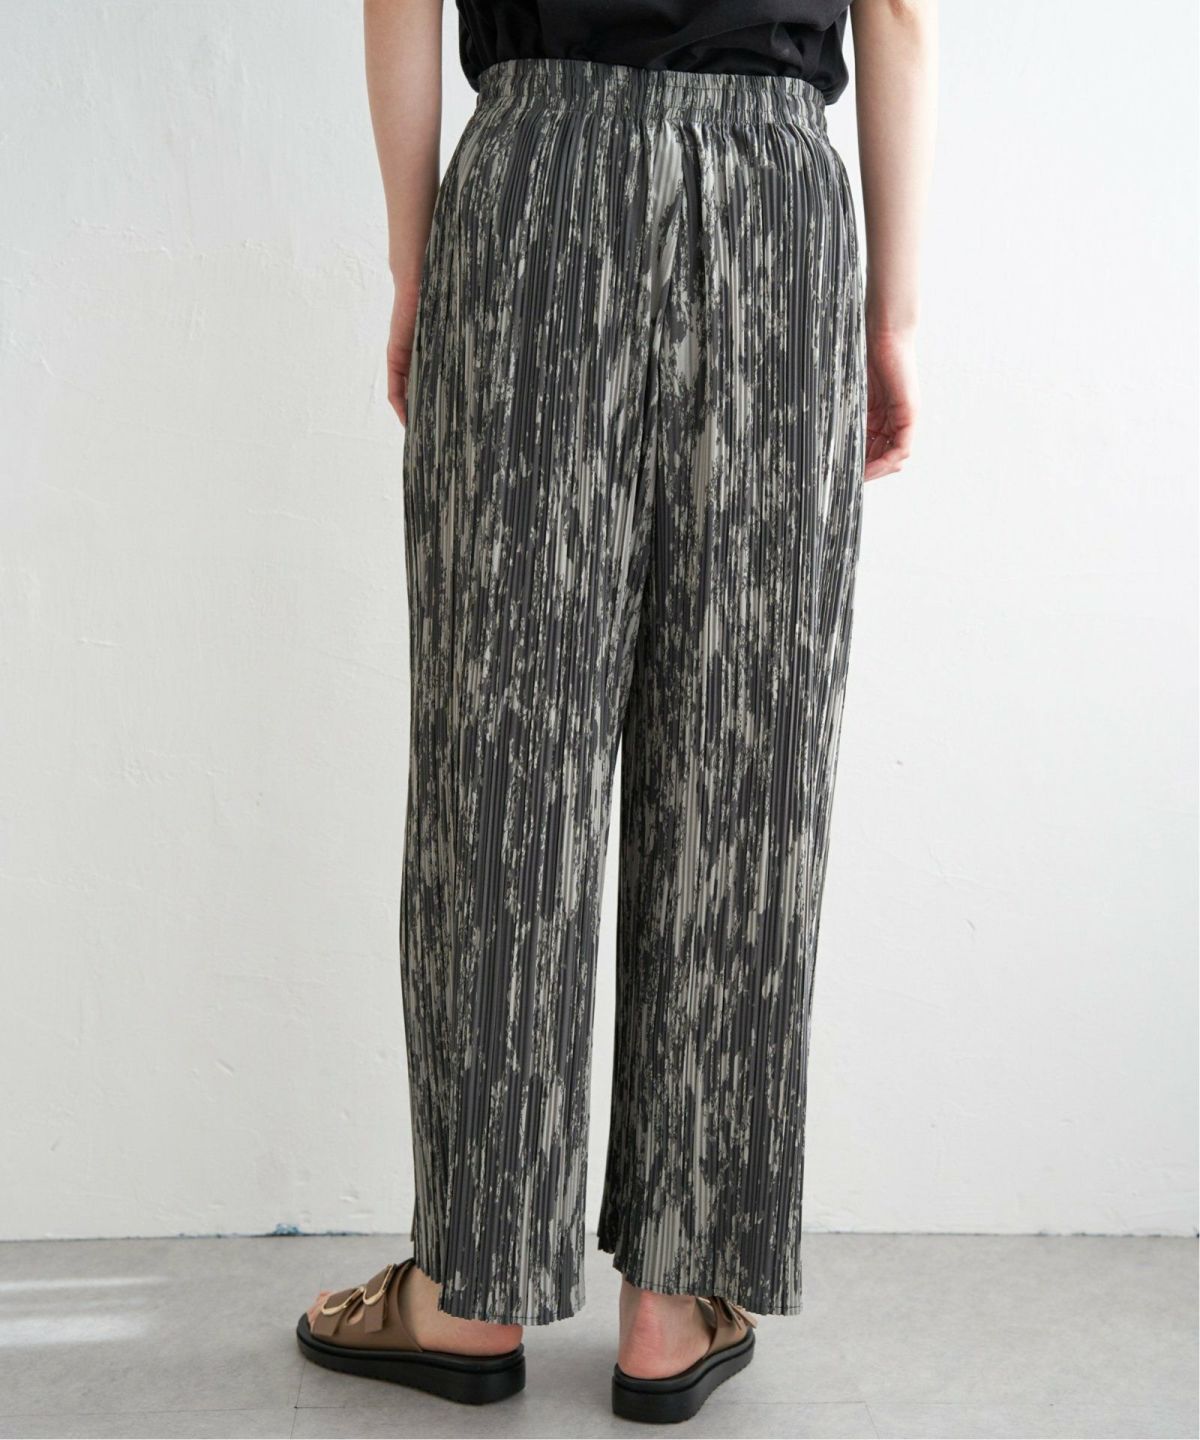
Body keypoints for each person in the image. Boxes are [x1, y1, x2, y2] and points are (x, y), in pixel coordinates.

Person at [296, 0, 936, 1422]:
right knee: (746, 752)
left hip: (535, 191)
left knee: (502, 749)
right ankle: (673, 1296)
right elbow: (894, 7)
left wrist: (417, 263)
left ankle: (472, 1292)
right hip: (776, 210)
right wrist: (889, 316)